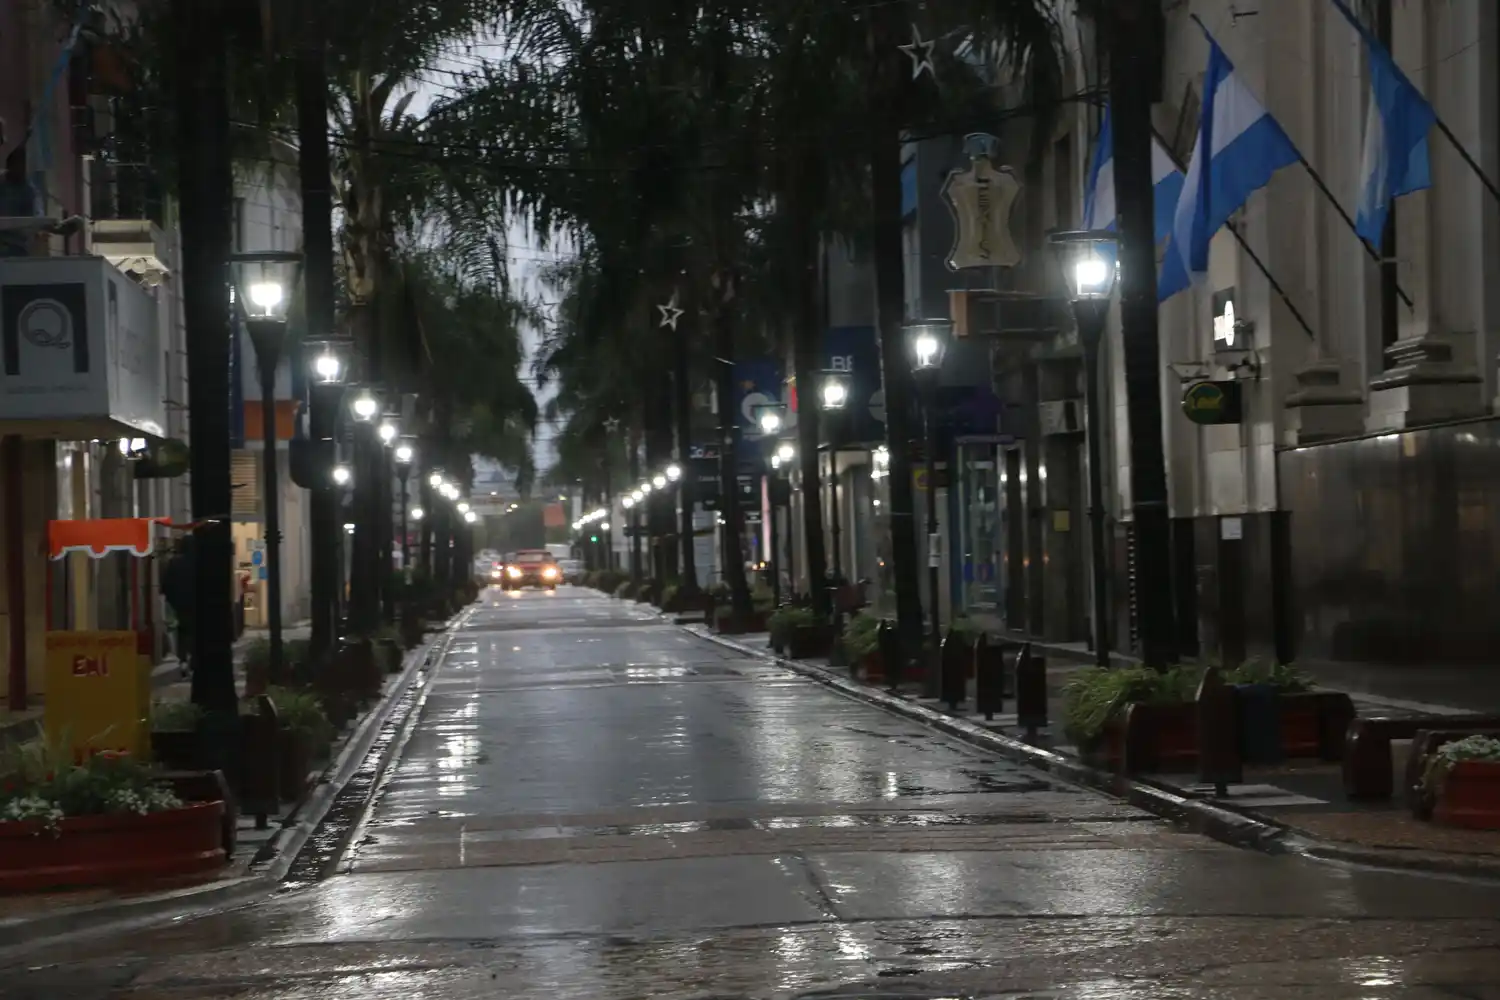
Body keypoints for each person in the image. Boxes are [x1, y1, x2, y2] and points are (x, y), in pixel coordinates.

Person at [161, 535, 196, 678]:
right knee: (195, 634)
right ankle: (193, 661)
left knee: (181, 634)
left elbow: (166, 586)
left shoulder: (174, 563)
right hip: (196, 605)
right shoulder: (199, 562)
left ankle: (183, 660)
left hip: (178, 606)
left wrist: (172, 600)